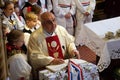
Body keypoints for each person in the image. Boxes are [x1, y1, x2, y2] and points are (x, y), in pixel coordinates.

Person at [27, 12, 80, 79]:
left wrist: (73, 50)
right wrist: (51, 60)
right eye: (49, 22)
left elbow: (70, 43)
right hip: (47, 68)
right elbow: (34, 56)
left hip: (64, 63)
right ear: (42, 24)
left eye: (54, 20)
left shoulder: (61, 29)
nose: (53, 24)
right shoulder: (35, 37)